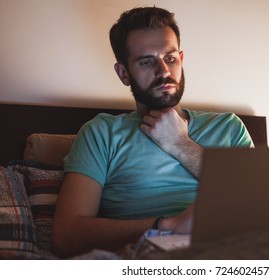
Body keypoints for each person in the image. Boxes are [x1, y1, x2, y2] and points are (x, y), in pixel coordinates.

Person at [51, 6, 253, 258]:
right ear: (124, 73)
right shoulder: (101, 133)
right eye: (147, 61)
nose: (164, 72)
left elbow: (259, 206)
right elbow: (66, 236)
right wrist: (167, 227)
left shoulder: (229, 128)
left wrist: (181, 144)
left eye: (170, 58)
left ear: (181, 59)